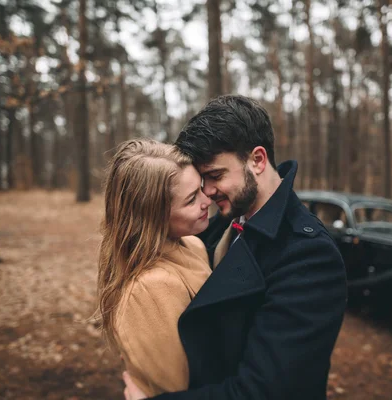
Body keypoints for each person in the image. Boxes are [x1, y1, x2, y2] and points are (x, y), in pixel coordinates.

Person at [123, 95, 348, 400]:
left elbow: (264, 391)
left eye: (215, 176)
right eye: (203, 179)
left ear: (257, 160)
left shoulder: (308, 256)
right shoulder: (219, 224)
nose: (208, 191)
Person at [96, 139, 213, 397]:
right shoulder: (149, 289)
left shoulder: (193, 245)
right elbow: (176, 389)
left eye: (201, 188)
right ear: (153, 216)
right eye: (192, 199)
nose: (207, 200)